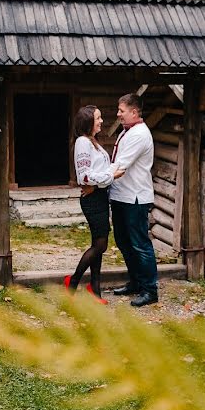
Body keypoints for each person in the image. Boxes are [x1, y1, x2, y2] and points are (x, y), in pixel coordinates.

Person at [65, 105, 123, 303]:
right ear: (88, 121)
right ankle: (72, 283)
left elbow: (99, 173)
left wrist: (108, 176)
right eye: (98, 118)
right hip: (92, 200)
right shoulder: (83, 142)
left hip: (98, 196)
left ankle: (95, 289)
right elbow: (85, 176)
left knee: (97, 244)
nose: (101, 121)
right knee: (101, 245)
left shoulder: (93, 142)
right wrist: (110, 176)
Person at [109, 93, 158, 307]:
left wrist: (94, 179)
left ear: (134, 112)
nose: (118, 114)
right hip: (121, 195)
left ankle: (150, 290)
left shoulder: (139, 134)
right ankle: (136, 282)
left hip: (135, 197)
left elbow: (121, 165)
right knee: (123, 241)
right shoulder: (126, 131)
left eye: (122, 110)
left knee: (139, 244)